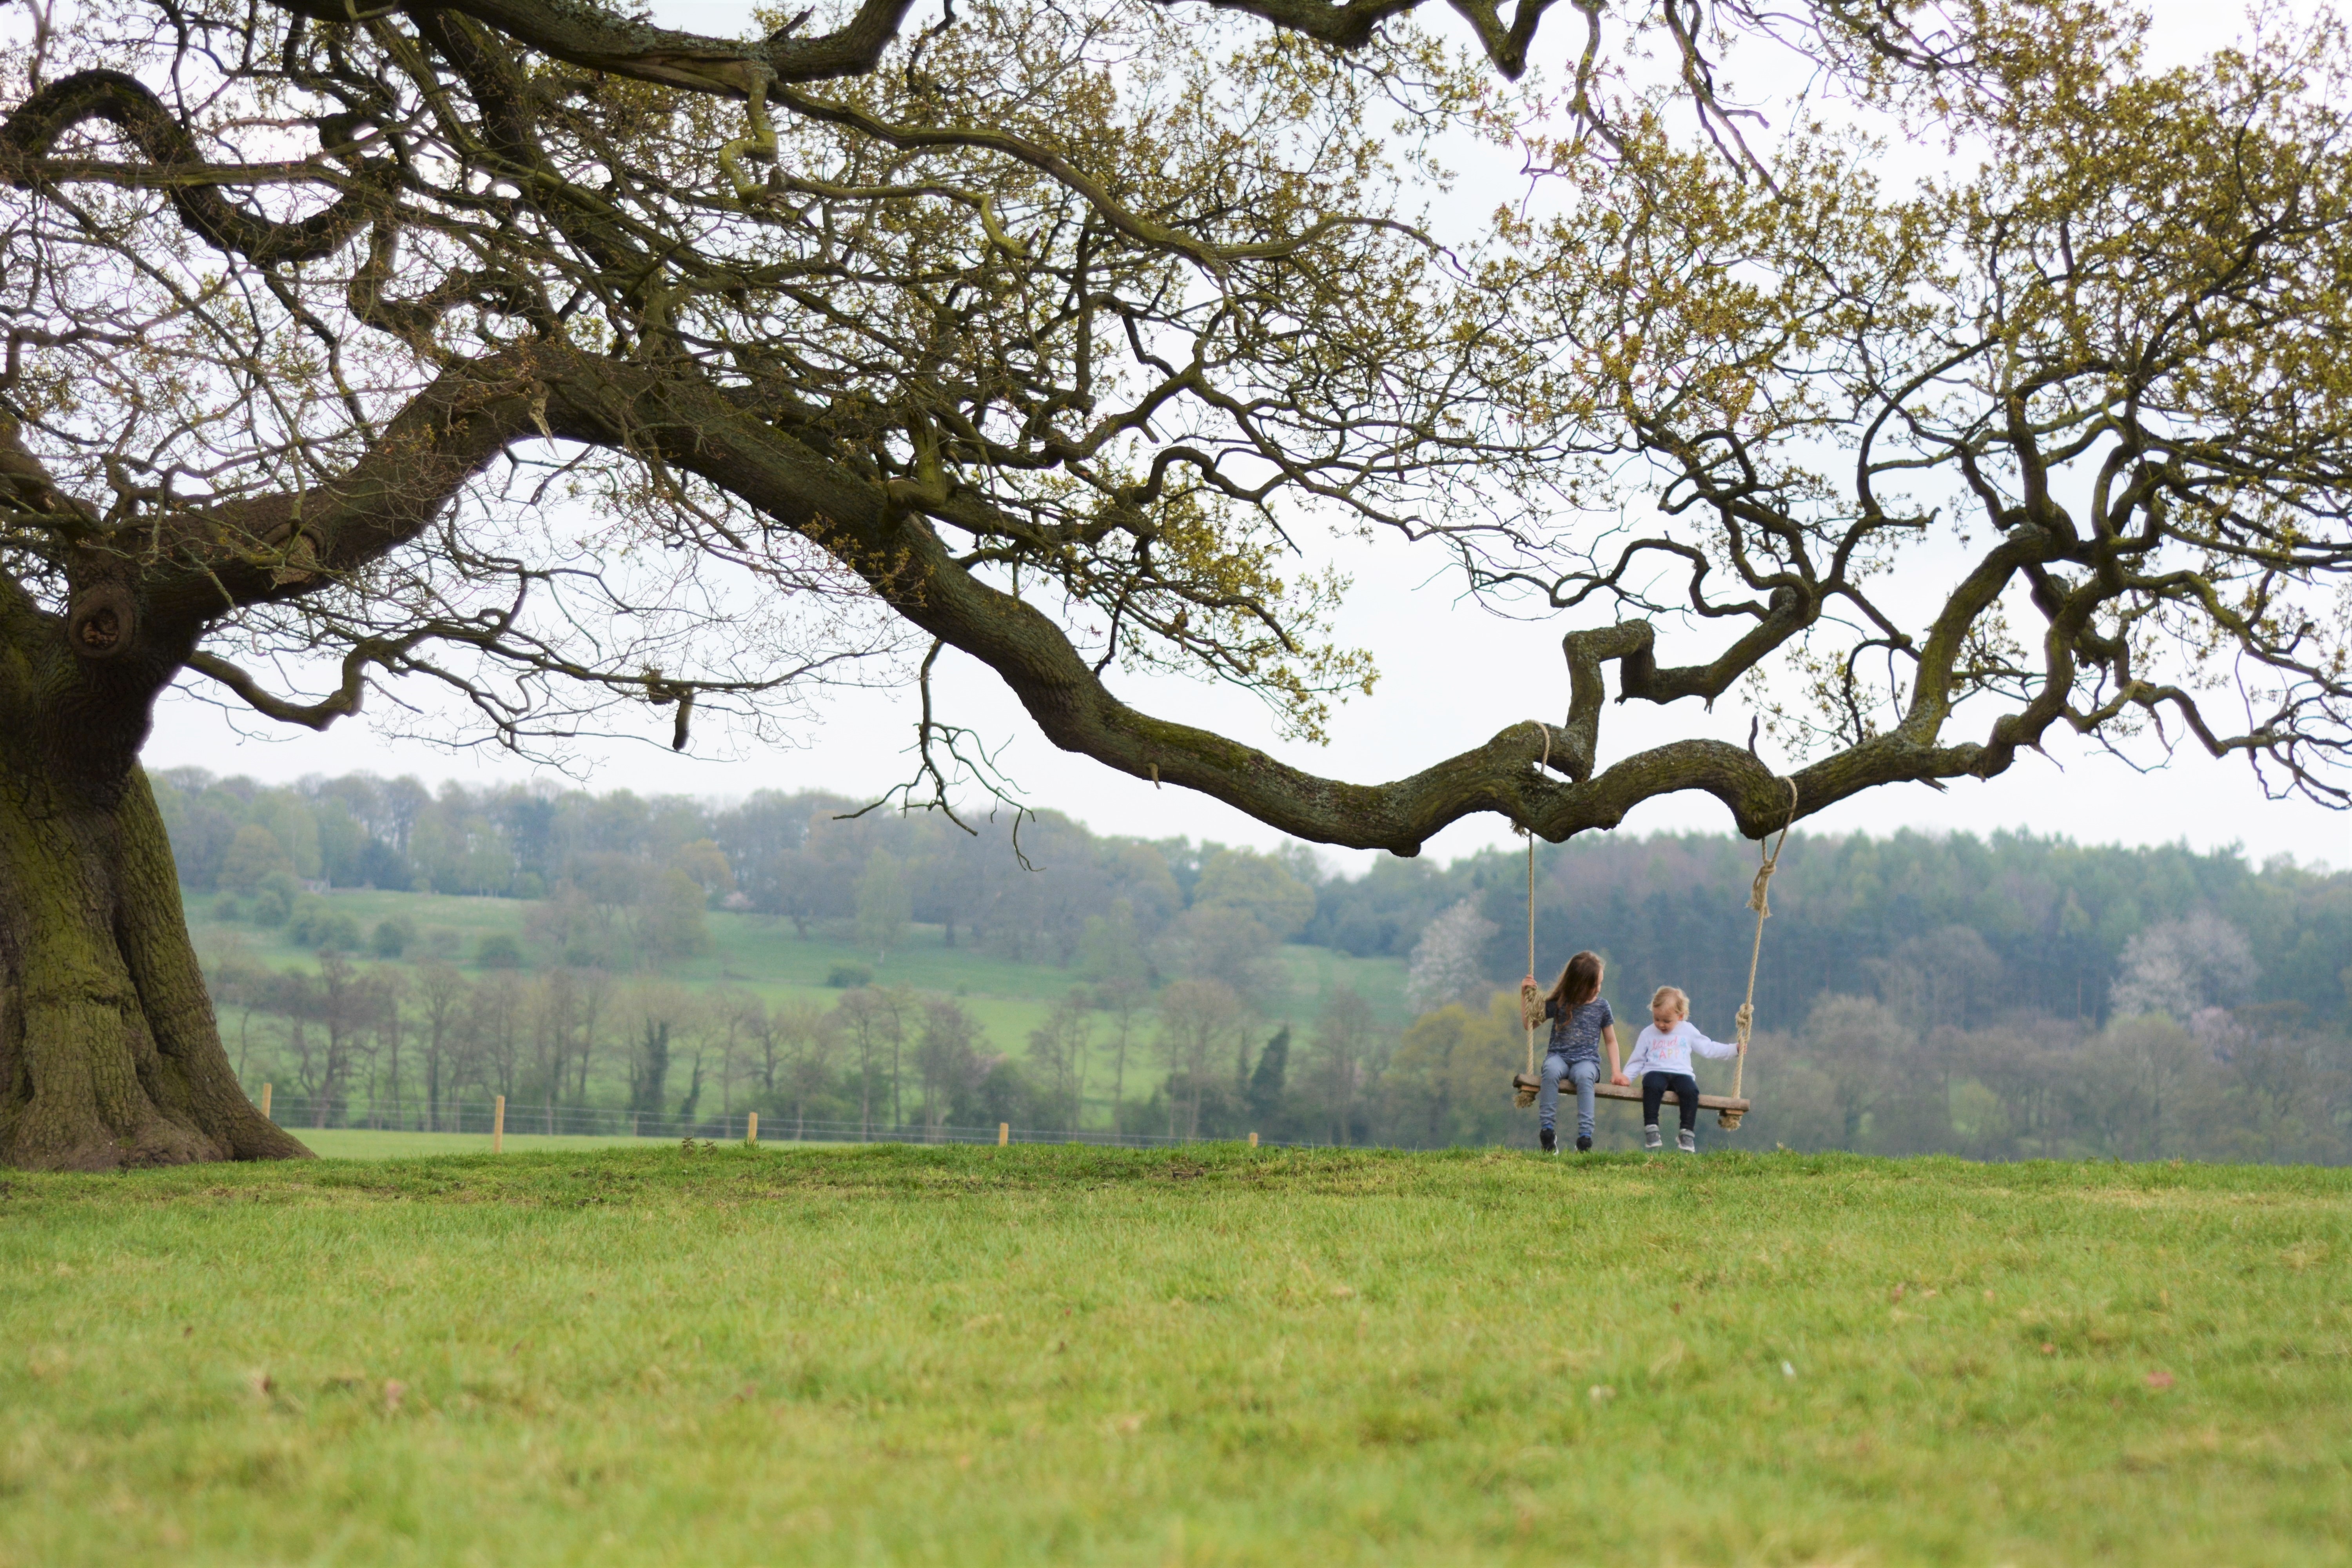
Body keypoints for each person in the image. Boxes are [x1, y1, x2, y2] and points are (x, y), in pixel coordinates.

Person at [1519, 951, 1620, 1154]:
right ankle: (1547, 1133)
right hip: (1559, 1057)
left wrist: (1617, 1072)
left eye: (1600, 983)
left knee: (1584, 1077)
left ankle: (1585, 1138)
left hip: (1587, 1061)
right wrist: (1525, 996)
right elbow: (1529, 1024)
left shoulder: (1602, 1007)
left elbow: (1611, 1040)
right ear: (1579, 985)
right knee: (1550, 1070)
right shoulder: (1561, 1003)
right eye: (1595, 985)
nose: (1599, 989)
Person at [1616, 985, 1738, 1152]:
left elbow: (1708, 1048)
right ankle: (1652, 1128)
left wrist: (1734, 1050)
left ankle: (1686, 1133)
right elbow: (1638, 1059)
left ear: (1680, 1016)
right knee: (1652, 1086)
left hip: (1681, 1074)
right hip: (1656, 1071)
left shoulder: (1687, 1031)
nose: (1661, 1025)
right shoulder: (1648, 1034)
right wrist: (1627, 1077)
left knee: (1691, 1092)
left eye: (1667, 1021)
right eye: (1657, 1019)